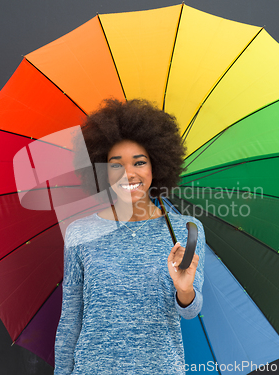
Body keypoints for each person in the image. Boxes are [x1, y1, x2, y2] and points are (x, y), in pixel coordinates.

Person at [54, 99, 206, 375]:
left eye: (139, 162)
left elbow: (190, 312)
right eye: (115, 165)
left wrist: (184, 289)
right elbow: (70, 320)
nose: (128, 173)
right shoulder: (80, 233)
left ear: (156, 166)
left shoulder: (186, 231)